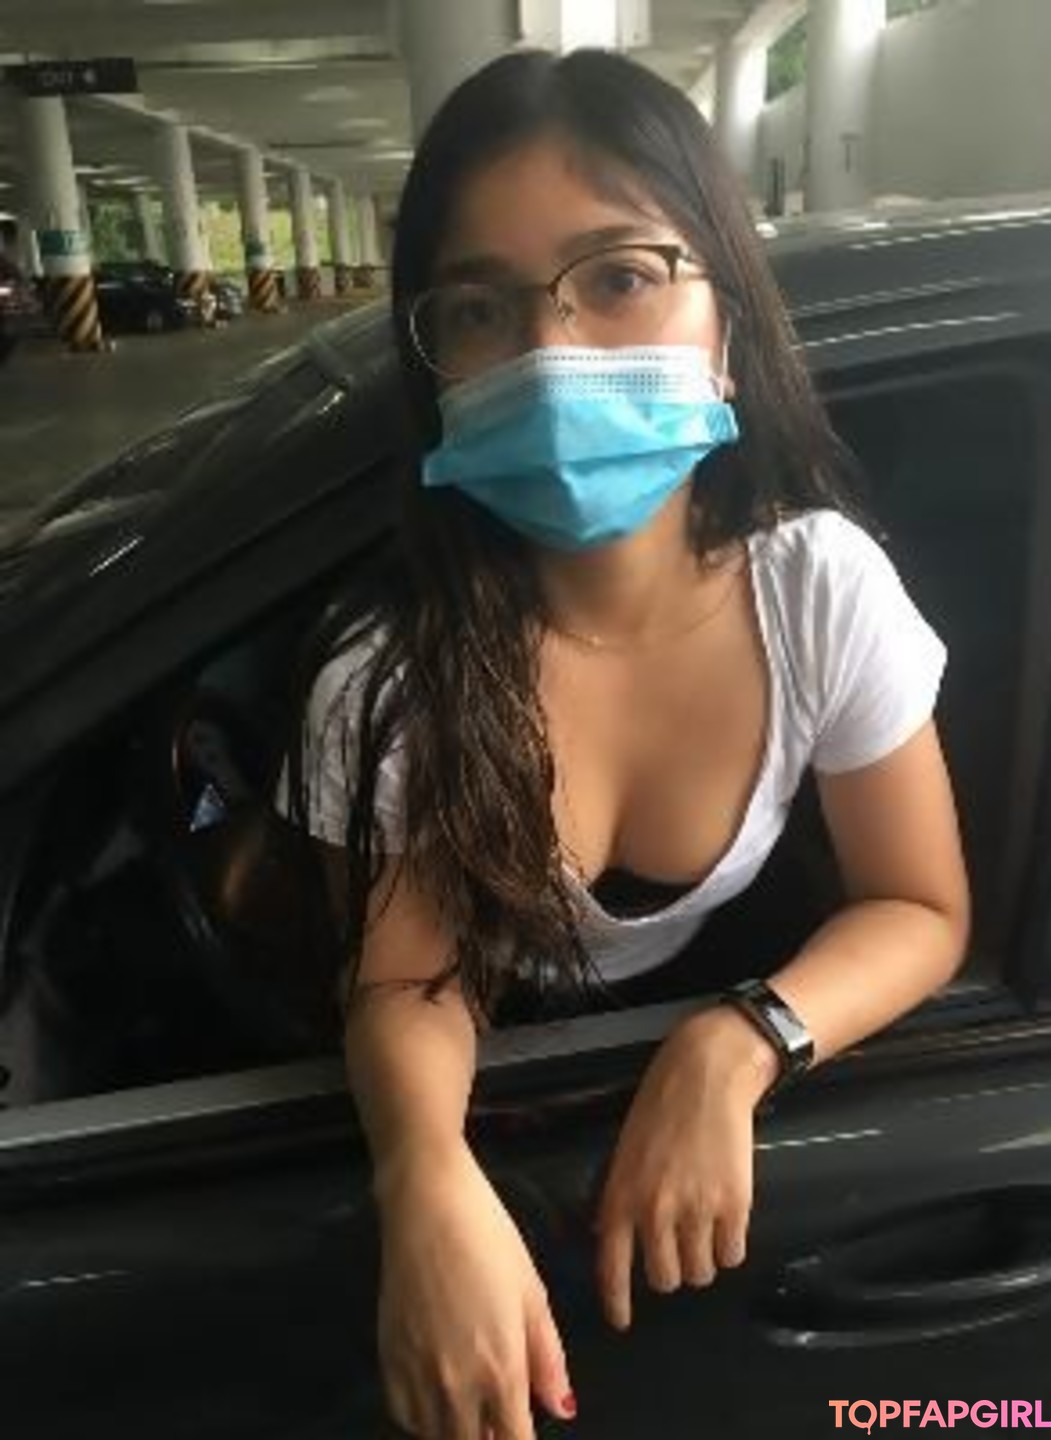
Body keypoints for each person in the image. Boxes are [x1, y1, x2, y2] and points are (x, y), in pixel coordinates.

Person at [284, 46, 970, 1440]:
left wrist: (744, 1041)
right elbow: (405, 983)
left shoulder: (818, 593)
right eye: (482, 307)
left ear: (725, 316)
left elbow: (919, 906)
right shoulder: (388, 681)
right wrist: (424, 1177)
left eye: (619, 276)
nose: (555, 357)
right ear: (433, 356)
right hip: (522, 1120)